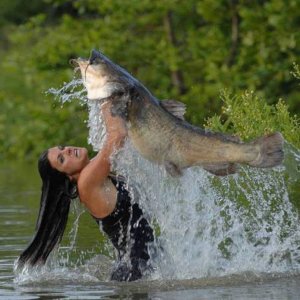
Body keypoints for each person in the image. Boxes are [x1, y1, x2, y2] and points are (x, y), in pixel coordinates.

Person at [17, 101, 155, 282]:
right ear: (67, 177)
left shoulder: (95, 173)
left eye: (61, 148)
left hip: (140, 268)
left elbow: (116, 137)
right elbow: (118, 136)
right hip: (135, 275)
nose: (66, 150)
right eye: (61, 158)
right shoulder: (87, 182)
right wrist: (106, 97)